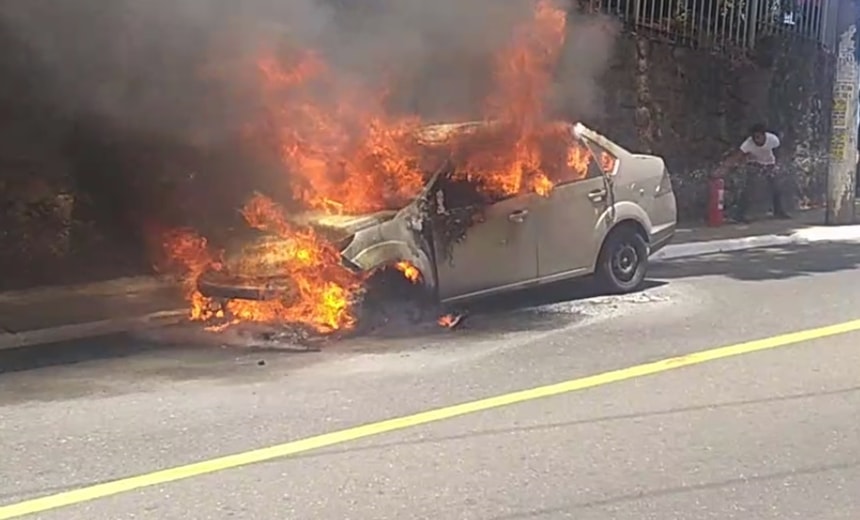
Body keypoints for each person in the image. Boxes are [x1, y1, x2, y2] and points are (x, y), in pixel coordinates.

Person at [715, 123, 790, 223]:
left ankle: (779, 211)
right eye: (754, 137)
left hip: (770, 164)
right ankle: (739, 214)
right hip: (755, 164)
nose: (756, 140)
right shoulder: (748, 144)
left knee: (776, 187)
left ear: (764, 135)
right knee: (750, 188)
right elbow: (736, 157)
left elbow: (780, 153)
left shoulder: (773, 140)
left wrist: (775, 166)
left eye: (758, 137)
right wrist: (723, 169)